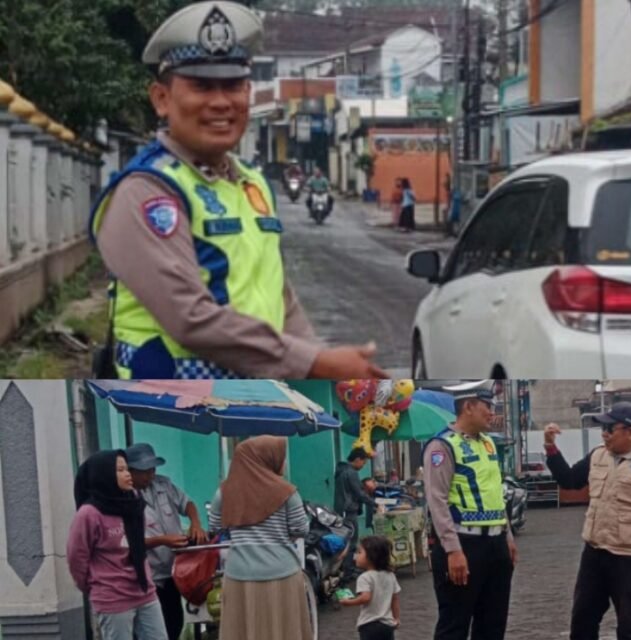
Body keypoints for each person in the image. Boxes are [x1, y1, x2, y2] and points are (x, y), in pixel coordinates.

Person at [89, 1, 385, 380]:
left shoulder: (252, 182)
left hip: (253, 396)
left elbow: (280, 296)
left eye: (232, 86)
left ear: (248, 92)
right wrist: (312, 362)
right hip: (171, 407)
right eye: (201, 86)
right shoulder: (147, 191)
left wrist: (316, 366)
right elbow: (189, 318)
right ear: (161, 99)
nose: (220, 102)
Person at [543, 401, 631, 640]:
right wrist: (550, 447)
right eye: (602, 429)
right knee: (582, 621)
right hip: (594, 553)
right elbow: (569, 480)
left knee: (630, 626)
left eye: (609, 429)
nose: (604, 434)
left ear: (630, 432)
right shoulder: (598, 455)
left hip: (629, 559)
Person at [422, 382, 517, 640]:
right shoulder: (442, 446)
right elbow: (437, 500)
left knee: (493, 625)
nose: (492, 412)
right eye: (487, 405)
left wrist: (507, 535)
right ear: (468, 406)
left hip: (495, 544)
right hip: (464, 543)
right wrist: (453, 550)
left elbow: (494, 492)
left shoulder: (488, 444)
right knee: (455, 625)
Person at [208, 436, 311, 640]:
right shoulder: (287, 492)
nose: (283, 462)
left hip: (239, 575)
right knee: (284, 631)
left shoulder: (224, 491)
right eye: (280, 457)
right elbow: (301, 529)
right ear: (266, 458)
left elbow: (215, 527)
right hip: (281, 572)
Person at [67, 450, 168, 640]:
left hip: (144, 590)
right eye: (120, 470)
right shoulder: (89, 513)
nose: (128, 474)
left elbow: (137, 546)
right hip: (112, 596)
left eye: (127, 469)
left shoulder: (134, 502)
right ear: (104, 474)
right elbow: (76, 557)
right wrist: (94, 586)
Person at [125, 443, 208, 640]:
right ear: (131, 472)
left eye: (152, 470)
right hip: (148, 575)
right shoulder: (124, 498)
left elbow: (187, 503)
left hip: (174, 569)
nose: (150, 475)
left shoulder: (164, 485)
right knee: (151, 629)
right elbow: (128, 543)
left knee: (174, 622)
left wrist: (195, 523)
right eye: (144, 471)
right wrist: (162, 540)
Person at [339, 536, 401, 640]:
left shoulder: (365, 577)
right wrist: (396, 618)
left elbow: (366, 598)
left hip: (369, 625)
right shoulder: (390, 575)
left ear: (372, 556)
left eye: (359, 552)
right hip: (387, 625)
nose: (355, 556)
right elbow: (394, 599)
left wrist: (348, 602)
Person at [334, 448, 379, 584]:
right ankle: (348, 573)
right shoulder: (351, 473)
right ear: (358, 459)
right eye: (363, 463)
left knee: (348, 542)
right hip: (349, 512)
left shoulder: (341, 471)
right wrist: (375, 504)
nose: (363, 466)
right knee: (351, 543)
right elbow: (359, 493)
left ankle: (350, 568)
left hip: (342, 510)